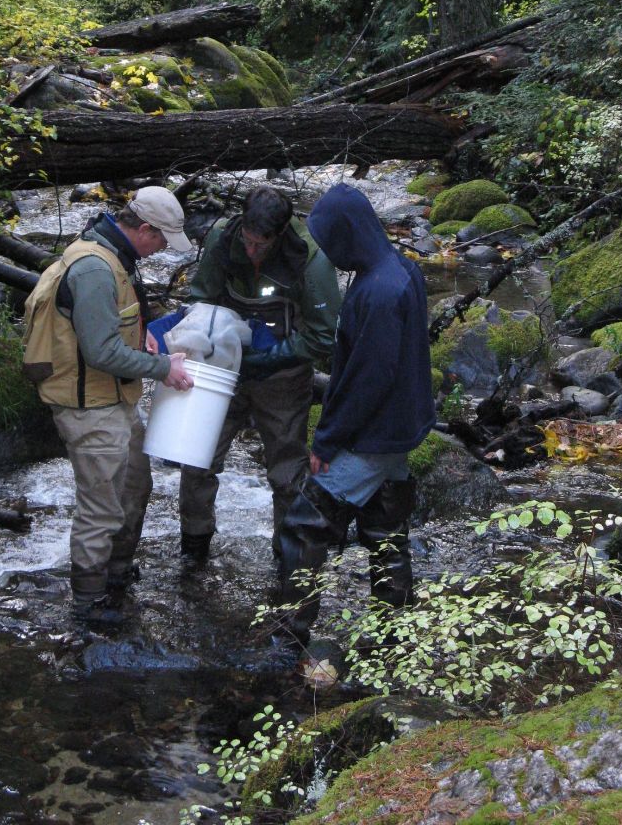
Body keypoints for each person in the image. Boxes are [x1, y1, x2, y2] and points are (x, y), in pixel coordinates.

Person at [22, 186, 194, 625]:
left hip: (113, 400)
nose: (161, 252)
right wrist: (161, 368)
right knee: (101, 507)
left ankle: (116, 574)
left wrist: (144, 335)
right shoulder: (96, 269)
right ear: (145, 229)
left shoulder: (113, 255)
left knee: (135, 486)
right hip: (89, 408)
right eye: (161, 240)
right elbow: (100, 352)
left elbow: (113, 327)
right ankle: (88, 604)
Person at [275, 182, 436, 646]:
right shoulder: (396, 269)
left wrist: (327, 442)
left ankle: (288, 642)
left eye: (331, 243)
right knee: (385, 526)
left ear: (350, 235)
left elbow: (369, 379)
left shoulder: (380, 292)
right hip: (398, 427)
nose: (327, 253)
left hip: (373, 434)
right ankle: (393, 633)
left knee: (303, 529)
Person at [178, 186, 342, 561]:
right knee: (198, 458)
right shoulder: (222, 237)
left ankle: (288, 557)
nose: (252, 251)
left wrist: (272, 359)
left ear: (280, 234)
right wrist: (198, 339)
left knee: (286, 473)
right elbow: (201, 296)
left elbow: (324, 335)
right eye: (248, 242)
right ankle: (194, 546)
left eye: (261, 246)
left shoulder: (311, 259)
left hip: (283, 377)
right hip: (221, 368)